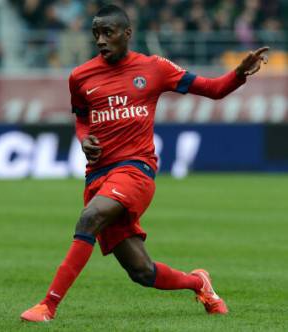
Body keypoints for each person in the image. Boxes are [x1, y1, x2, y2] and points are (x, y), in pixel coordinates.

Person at [20, 4, 269, 322]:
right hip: (97, 175)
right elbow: (82, 119)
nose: (100, 40)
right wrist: (84, 139)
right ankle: (199, 283)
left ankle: (48, 306)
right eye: (96, 33)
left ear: (127, 34)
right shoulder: (80, 76)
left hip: (136, 170)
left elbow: (213, 89)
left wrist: (238, 73)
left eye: (107, 32)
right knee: (141, 271)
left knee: (89, 219)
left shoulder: (154, 68)